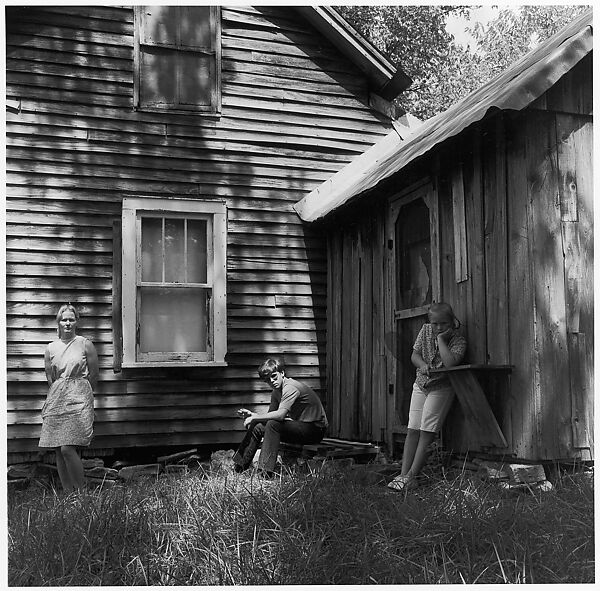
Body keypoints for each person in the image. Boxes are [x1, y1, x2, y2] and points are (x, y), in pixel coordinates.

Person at [388, 302, 467, 492]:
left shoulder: (458, 341)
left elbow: (449, 364)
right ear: (429, 322)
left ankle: (412, 475)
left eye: (444, 324)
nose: (439, 327)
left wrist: (440, 340)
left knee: (427, 430)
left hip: (442, 387)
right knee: (413, 428)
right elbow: (414, 355)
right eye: (435, 324)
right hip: (421, 384)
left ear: (452, 322)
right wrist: (421, 364)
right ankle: (403, 474)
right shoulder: (424, 331)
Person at [39, 303, 99, 493]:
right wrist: (59, 392)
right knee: (58, 448)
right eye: (64, 319)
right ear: (58, 321)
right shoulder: (50, 348)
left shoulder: (85, 344)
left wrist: (83, 395)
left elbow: (94, 375)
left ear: (76, 322)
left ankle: (81, 494)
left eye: (71, 319)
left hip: (79, 397)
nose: (67, 323)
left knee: (67, 448)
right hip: (57, 397)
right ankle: (67, 494)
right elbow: (51, 378)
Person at [233, 358, 328, 477]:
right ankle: (239, 468)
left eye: (274, 376)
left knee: (273, 424)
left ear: (282, 373)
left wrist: (255, 418)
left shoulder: (290, 387)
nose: (272, 381)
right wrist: (254, 416)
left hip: (315, 430)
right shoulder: (276, 392)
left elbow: (280, 415)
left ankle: (264, 473)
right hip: (301, 427)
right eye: (267, 380)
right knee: (258, 427)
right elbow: (270, 417)